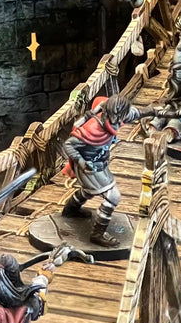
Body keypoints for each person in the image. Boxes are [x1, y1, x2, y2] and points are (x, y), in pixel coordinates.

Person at [61, 95, 144, 247]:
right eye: (117, 116)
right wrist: (81, 162)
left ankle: (70, 209)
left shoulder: (117, 118)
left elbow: (138, 113)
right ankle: (97, 233)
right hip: (88, 167)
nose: (119, 121)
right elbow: (69, 145)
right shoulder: (92, 127)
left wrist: (159, 112)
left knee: (89, 191)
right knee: (113, 196)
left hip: (100, 164)